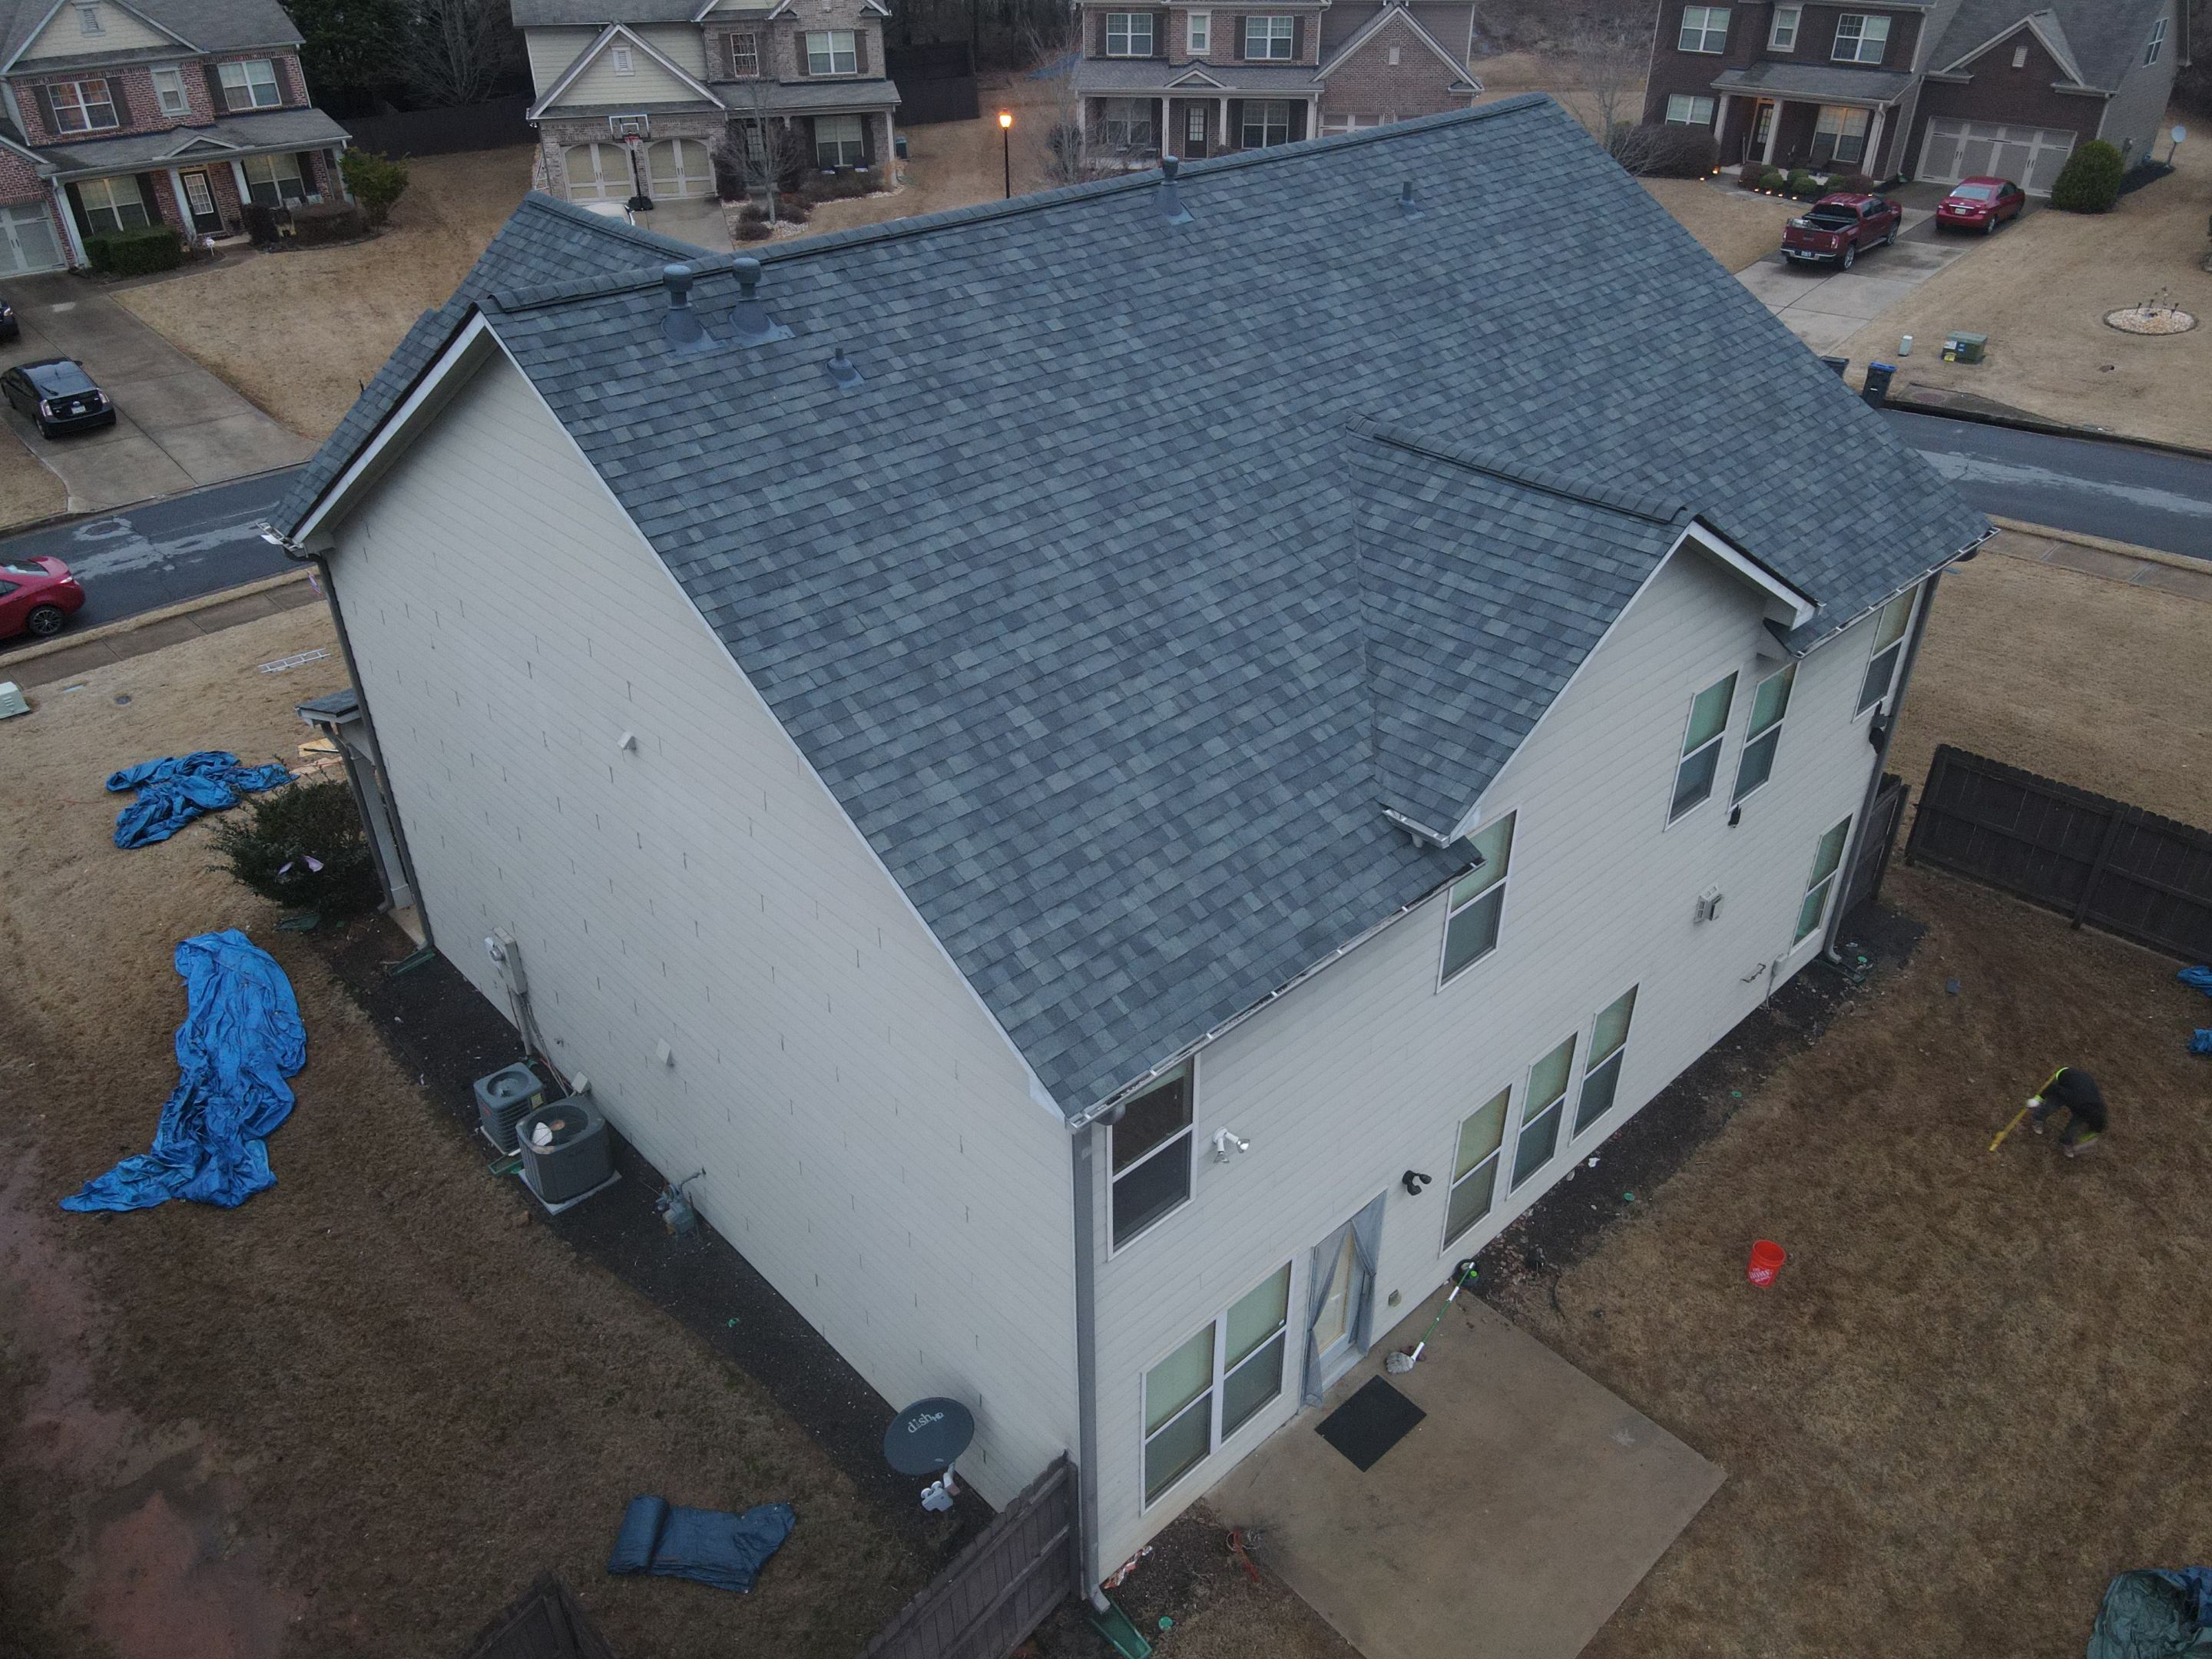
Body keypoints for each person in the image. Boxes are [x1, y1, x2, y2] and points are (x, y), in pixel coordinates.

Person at [2028, 1067, 2106, 1158]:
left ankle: (2066, 1141)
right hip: (2066, 1077)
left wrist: (2084, 1140)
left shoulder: (2100, 1113)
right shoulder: (2073, 1098)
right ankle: (2038, 1118)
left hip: (2083, 1089)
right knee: (2052, 1106)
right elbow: (2053, 1088)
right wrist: (2038, 1099)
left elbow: (2096, 1129)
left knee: (2075, 1124)